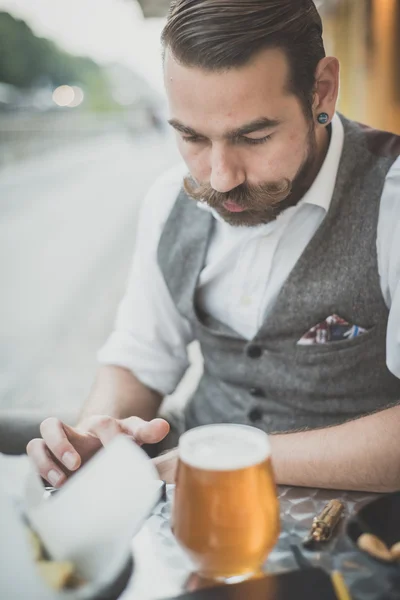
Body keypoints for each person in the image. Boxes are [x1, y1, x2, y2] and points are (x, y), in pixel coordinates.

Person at [27, 0, 400, 493]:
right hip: (183, 497)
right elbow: (140, 361)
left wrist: (224, 458)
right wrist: (97, 431)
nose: (221, 179)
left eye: (255, 136)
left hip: (353, 528)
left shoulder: (390, 195)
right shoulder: (167, 200)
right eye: (193, 137)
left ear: (322, 91)